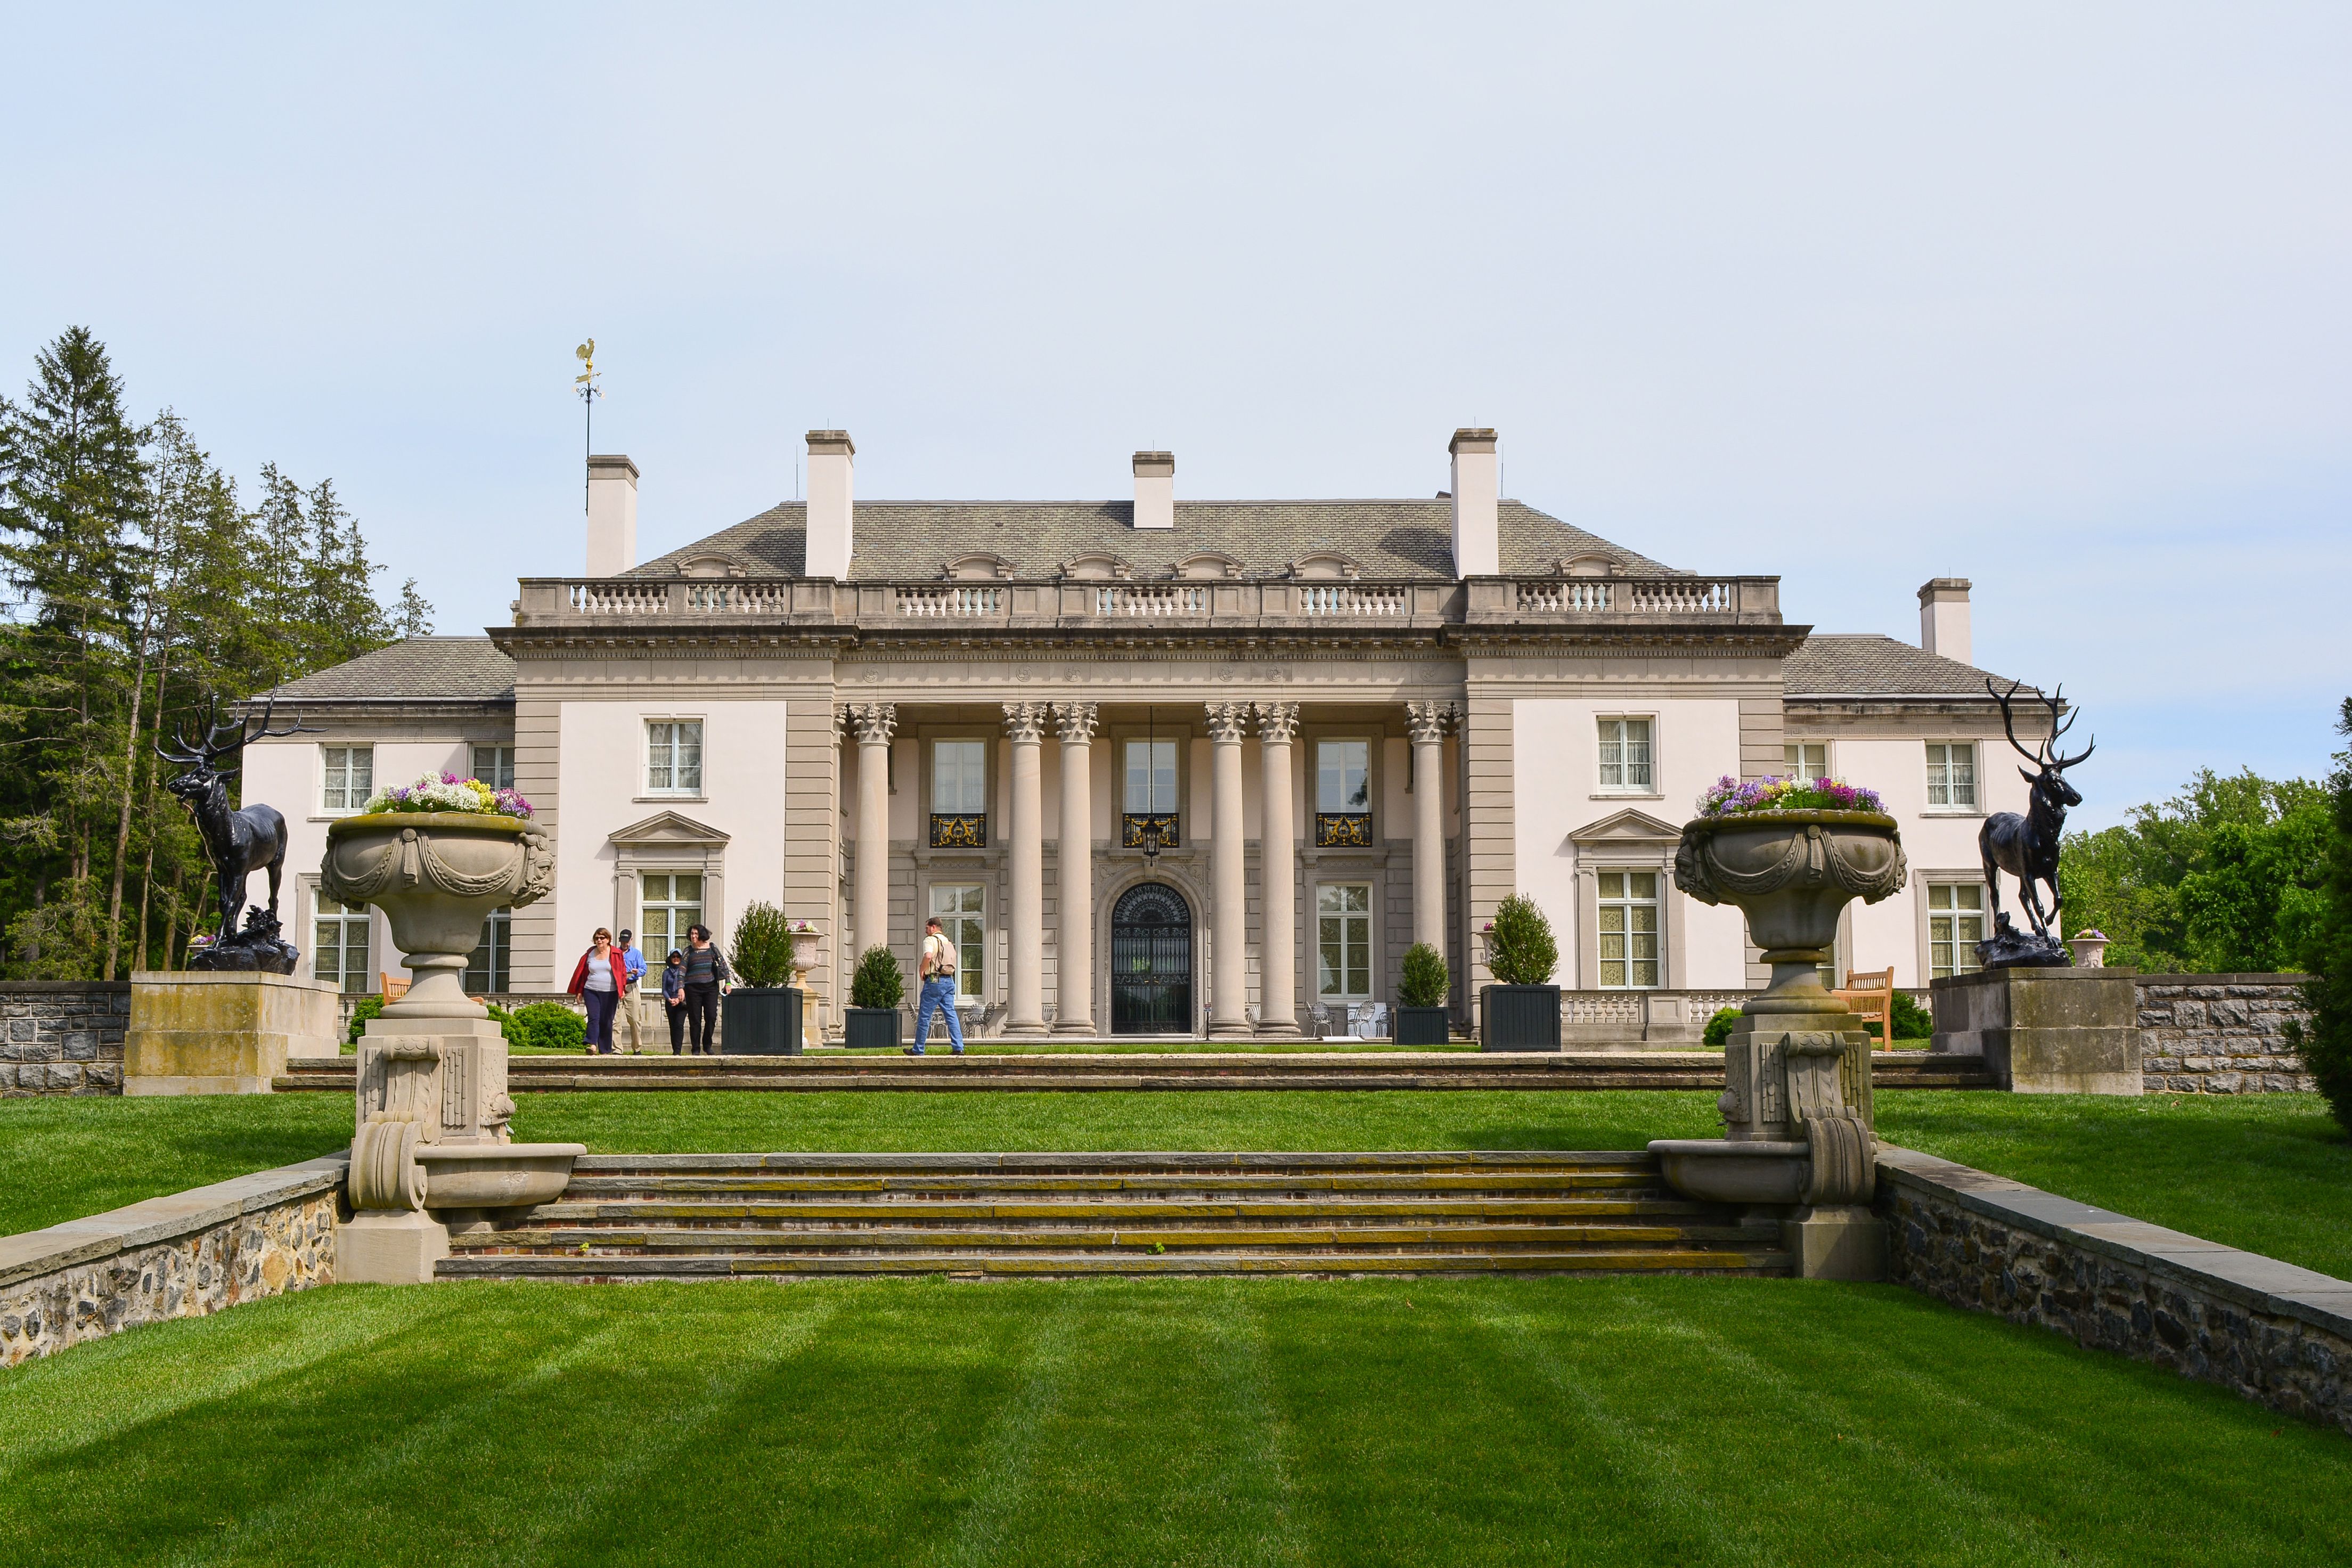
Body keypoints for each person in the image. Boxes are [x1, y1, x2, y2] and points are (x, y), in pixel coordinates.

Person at [908, 914, 965, 1056]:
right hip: (949, 981)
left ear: (933, 927)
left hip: (934, 980)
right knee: (951, 1015)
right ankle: (958, 1047)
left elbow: (928, 956)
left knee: (925, 1016)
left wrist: (922, 970)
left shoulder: (930, 940)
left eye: (927, 928)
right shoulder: (947, 941)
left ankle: (918, 1049)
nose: (926, 931)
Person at [567, 927, 622, 1054]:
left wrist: (622, 990)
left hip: (610, 992)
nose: (599, 940)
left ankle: (605, 1049)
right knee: (594, 1018)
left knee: (607, 1020)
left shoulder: (616, 954)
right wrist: (580, 991)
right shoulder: (590, 954)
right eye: (597, 938)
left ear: (608, 939)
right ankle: (592, 1045)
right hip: (591, 990)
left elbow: (621, 973)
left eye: (602, 938)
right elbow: (583, 974)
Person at [681, 923, 731, 1054]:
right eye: (692, 934)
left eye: (696, 934)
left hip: (710, 988)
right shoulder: (688, 951)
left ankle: (707, 1045)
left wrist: (728, 982)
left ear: (702, 934)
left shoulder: (712, 948)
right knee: (695, 1020)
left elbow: (723, 964)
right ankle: (696, 1048)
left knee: (711, 1016)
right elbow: (681, 971)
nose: (693, 936)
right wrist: (681, 988)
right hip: (692, 988)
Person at [614, 929, 649, 1054]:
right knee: (615, 1020)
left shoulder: (636, 953)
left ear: (631, 940)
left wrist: (637, 971)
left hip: (631, 986)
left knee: (635, 1020)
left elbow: (644, 969)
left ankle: (637, 1048)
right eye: (623, 941)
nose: (625, 944)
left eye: (627, 941)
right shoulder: (615, 953)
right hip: (617, 987)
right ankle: (617, 1049)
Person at [661, 949, 688, 1054]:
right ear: (670, 959)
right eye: (674, 957)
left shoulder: (685, 972)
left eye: (678, 957)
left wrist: (679, 999)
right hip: (670, 1001)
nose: (676, 959)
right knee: (673, 1026)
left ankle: (678, 1050)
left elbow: (688, 987)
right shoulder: (666, 973)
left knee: (679, 1025)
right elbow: (664, 989)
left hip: (682, 1002)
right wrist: (670, 999)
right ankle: (674, 1051)